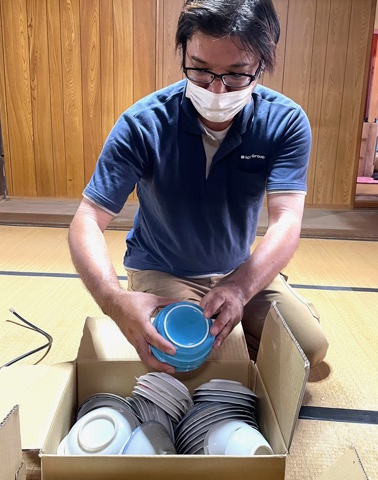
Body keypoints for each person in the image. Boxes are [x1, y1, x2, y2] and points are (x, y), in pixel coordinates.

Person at [68, 0, 328, 373]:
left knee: (308, 350)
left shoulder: (284, 122)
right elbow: (89, 218)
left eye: (236, 74)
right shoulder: (144, 123)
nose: (217, 90)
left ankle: (264, 307)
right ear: (183, 53)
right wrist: (113, 299)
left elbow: (287, 219)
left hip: (237, 269)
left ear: (262, 63)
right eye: (201, 70)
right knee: (190, 359)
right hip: (164, 269)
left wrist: (241, 287)